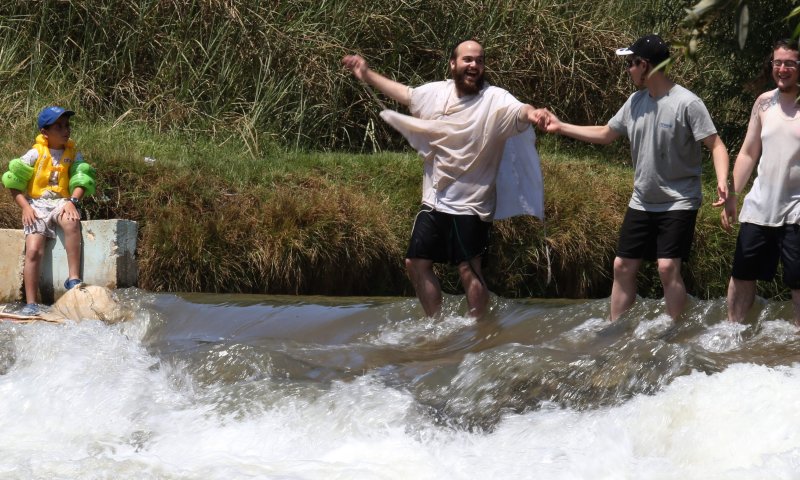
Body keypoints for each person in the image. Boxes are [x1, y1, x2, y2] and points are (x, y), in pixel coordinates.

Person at [341, 39, 548, 318]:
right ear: (453, 64)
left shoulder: (495, 99)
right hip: (436, 200)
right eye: (467, 60)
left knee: (467, 269)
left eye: (479, 60)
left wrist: (534, 113)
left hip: (472, 205)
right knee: (414, 262)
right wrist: (366, 74)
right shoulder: (436, 94)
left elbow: (520, 110)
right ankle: (436, 325)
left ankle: (478, 329)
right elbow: (406, 94)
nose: (473, 65)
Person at [543, 34, 731, 321]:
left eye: (630, 63)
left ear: (645, 65)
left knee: (668, 267)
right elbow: (606, 134)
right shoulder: (635, 102)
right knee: (622, 266)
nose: (628, 69)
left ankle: (675, 331)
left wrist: (721, 180)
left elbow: (716, 145)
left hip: (679, 201)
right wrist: (561, 127)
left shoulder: (687, 103)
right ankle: (615, 328)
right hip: (642, 200)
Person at [722, 39, 800, 325]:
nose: (782, 69)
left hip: (796, 211)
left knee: (798, 283)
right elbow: (748, 152)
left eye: (790, 63)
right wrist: (732, 194)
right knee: (742, 275)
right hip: (760, 206)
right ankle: (733, 337)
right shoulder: (764, 102)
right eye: (777, 63)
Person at [2, 106, 97, 315]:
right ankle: (31, 302)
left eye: (67, 126)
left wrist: (73, 201)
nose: (66, 130)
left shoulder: (73, 153)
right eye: (59, 127)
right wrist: (25, 207)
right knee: (34, 249)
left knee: (71, 223)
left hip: (63, 200)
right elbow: (13, 181)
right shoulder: (35, 153)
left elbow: (82, 179)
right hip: (37, 204)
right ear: (45, 132)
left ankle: (73, 279)